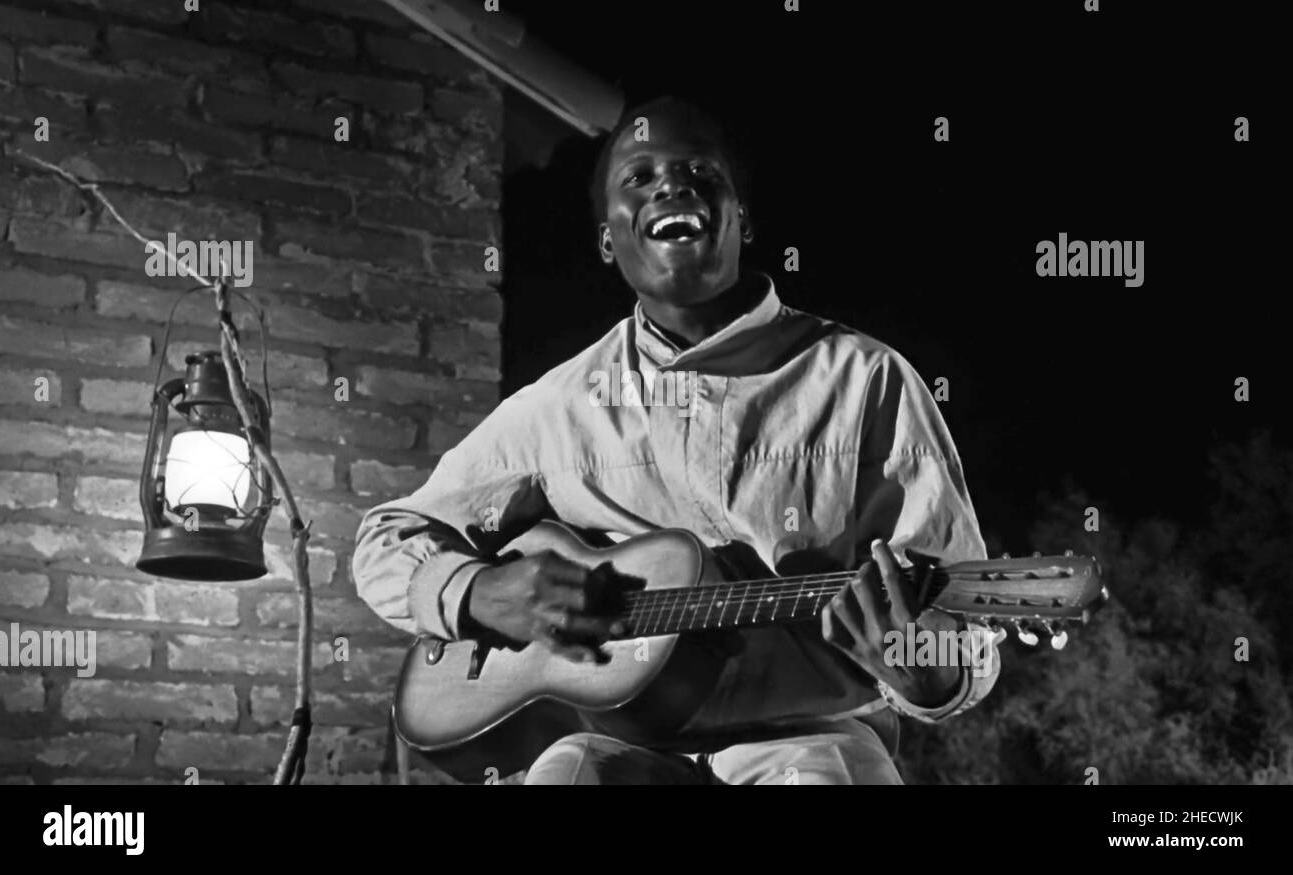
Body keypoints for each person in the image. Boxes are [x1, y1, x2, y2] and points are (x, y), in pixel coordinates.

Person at [352, 96, 1000, 784]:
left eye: (700, 173)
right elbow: (385, 539)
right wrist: (477, 591)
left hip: (812, 738)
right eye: (639, 177)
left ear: (742, 219)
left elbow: (961, 619)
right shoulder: (558, 407)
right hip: (614, 743)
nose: (671, 186)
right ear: (608, 239)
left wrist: (926, 667)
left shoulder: (867, 380)